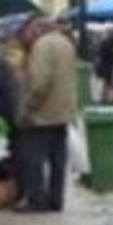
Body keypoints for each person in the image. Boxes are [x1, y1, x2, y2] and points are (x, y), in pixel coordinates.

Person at [17, 18, 79, 211]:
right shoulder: (66, 43)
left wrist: (27, 109)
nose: (28, 36)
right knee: (58, 160)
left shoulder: (42, 46)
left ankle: (36, 200)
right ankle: (56, 200)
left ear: (38, 29)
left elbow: (40, 83)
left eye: (30, 31)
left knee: (33, 158)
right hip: (63, 113)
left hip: (43, 114)